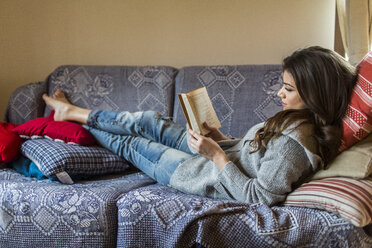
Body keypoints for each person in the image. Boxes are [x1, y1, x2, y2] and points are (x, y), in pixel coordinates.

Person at [42, 46, 357, 206]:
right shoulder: (295, 122)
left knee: (135, 144)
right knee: (151, 121)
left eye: (288, 89)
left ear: (314, 93)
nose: (279, 93)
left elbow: (260, 196)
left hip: (201, 174)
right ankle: (72, 112)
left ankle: (68, 116)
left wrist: (217, 155)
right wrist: (222, 139)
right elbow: (257, 157)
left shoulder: (295, 146)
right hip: (215, 156)